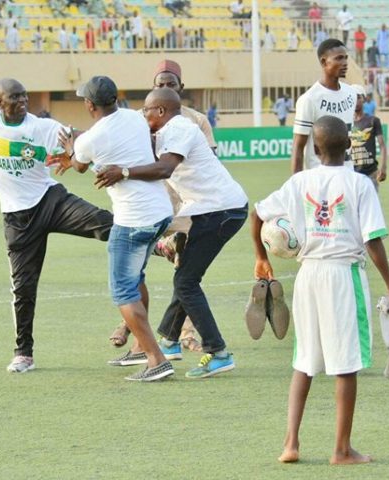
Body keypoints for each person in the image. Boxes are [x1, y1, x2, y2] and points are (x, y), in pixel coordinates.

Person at [0, 26, 114, 373]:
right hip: (16, 218)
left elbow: (78, 139)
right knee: (23, 289)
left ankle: (162, 246)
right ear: (0, 103)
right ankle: (23, 353)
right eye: (16, 98)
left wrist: (97, 144)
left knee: (104, 223)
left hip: (49, 201)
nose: (23, 101)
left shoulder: (42, 127)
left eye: (25, 95)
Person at [251, 115, 389, 465]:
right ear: (349, 144)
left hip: (308, 276)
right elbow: (373, 240)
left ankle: (290, 444)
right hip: (343, 275)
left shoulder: (299, 181)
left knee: (304, 362)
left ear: (315, 149)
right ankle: (341, 450)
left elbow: (257, 214)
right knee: (345, 364)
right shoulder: (360, 184)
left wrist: (260, 256)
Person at [96, 88, 248, 378]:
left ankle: (218, 353)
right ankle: (169, 340)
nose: (144, 115)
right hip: (207, 211)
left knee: (186, 281)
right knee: (185, 277)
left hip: (221, 211)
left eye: (147, 110)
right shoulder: (163, 132)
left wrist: (124, 173)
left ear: (161, 112)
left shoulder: (181, 128)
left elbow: (165, 168)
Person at [58, 76, 175, 382]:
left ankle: (156, 360)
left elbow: (80, 165)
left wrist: (71, 148)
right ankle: (140, 348)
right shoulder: (135, 118)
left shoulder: (91, 139)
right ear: (116, 98)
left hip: (133, 220)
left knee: (123, 290)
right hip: (160, 212)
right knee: (136, 280)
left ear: (89, 104)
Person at [109, 59, 217, 353]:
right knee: (132, 262)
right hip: (149, 202)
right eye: (161, 84)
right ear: (152, 89)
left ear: (181, 87)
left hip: (187, 206)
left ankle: (186, 331)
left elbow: (210, 163)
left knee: (186, 271)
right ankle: (131, 324)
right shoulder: (138, 119)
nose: (167, 88)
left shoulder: (197, 121)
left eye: (172, 84)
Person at [291, 39, 356, 173]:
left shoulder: (351, 94)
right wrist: (296, 186)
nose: (345, 63)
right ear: (323, 62)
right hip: (319, 181)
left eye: (345, 58)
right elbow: (298, 147)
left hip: (347, 175)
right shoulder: (309, 99)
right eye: (339, 58)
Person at [350, 84, 387, 190]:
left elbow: (382, 145)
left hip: (371, 174)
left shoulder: (373, 121)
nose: (355, 101)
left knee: (372, 206)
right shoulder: (347, 122)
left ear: (364, 99)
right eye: (352, 98)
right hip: (353, 174)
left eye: (358, 97)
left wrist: (383, 167)